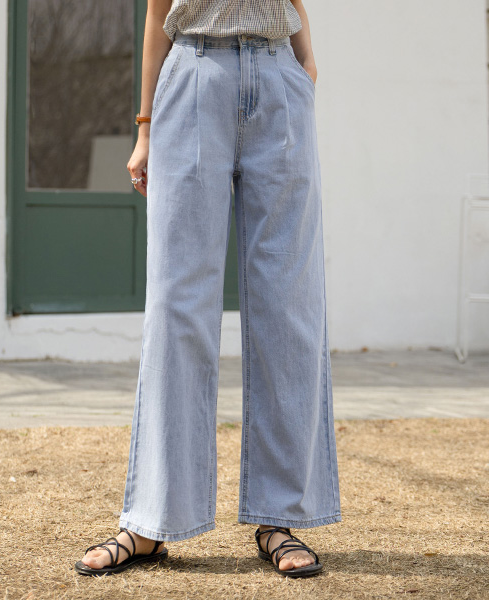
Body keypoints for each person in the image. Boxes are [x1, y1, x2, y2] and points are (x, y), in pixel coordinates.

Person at [74, 0, 341, 579]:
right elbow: (157, 13)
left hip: (278, 75)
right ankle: (152, 520)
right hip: (193, 75)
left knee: (288, 305)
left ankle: (279, 515)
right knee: (177, 304)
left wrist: (305, 62)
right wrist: (145, 126)